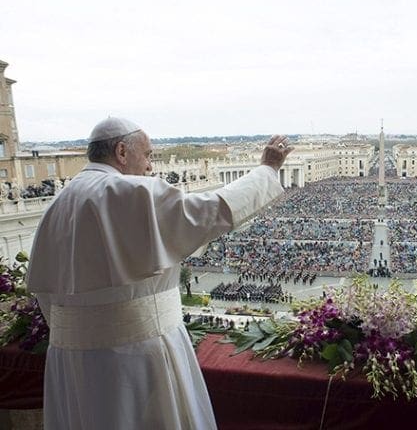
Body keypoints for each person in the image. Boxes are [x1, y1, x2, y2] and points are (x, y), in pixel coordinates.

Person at [26, 117, 292, 430]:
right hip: (135, 357)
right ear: (122, 151)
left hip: (71, 363)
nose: (151, 167)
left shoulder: (58, 203)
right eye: (149, 155)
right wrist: (267, 169)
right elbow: (211, 211)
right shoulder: (130, 191)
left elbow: (46, 296)